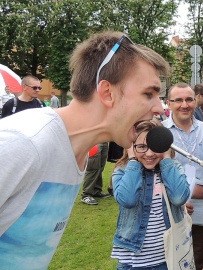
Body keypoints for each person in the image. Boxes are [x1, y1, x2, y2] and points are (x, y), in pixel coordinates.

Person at [0, 31, 168, 268]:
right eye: (148, 94)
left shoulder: (75, 152)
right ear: (107, 92)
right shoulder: (22, 143)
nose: (160, 108)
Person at [111, 120, 190, 270]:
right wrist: (133, 160)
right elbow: (127, 199)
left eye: (155, 147)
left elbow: (179, 197)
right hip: (133, 261)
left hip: (168, 258)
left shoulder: (172, 167)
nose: (149, 153)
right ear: (131, 148)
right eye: (141, 147)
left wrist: (166, 158)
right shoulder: (123, 170)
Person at [162, 82, 203, 270]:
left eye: (189, 99)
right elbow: (157, 172)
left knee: (197, 256)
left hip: (201, 208)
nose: (184, 105)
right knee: (171, 258)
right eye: (178, 100)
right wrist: (176, 200)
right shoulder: (161, 132)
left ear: (195, 102)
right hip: (172, 209)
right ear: (169, 103)